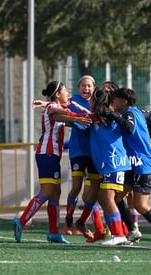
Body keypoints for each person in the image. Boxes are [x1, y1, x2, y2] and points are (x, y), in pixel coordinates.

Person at [12, 81, 91, 244]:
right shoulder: (52, 108)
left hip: (52, 155)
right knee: (47, 192)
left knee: (56, 193)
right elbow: (57, 112)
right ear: (57, 94)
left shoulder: (56, 107)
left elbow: (62, 113)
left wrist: (75, 117)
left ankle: (54, 233)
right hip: (46, 154)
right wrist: (78, 118)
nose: (67, 94)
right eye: (65, 91)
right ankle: (21, 221)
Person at [110, 87, 151, 246]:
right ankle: (132, 231)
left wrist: (112, 115)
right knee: (117, 197)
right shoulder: (139, 112)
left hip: (143, 165)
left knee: (140, 204)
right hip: (133, 165)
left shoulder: (129, 114)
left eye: (116, 99)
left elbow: (130, 127)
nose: (113, 102)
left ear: (124, 101)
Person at [60, 75, 105, 239]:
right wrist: (72, 120)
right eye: (83, 86)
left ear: (94, 88)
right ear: (79, 87)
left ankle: (98, 228)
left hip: (95, 153)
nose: (86, 89)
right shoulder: (71, 100)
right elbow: (60, 114)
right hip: (78, 151)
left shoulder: (99, 103)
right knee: (76, 187)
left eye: (89, 86)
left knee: (94, 191)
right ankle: (68, 222)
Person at [87, 88, 131, 245]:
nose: (89, 102)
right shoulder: (97, 119)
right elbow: (75, 117)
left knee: (107, 197)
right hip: (108, 167)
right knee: (103, 198)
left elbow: (128, 128)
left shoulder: (112, 119)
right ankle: (119, 234)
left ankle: (120, 234)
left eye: (92, 100)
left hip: (115, 164)